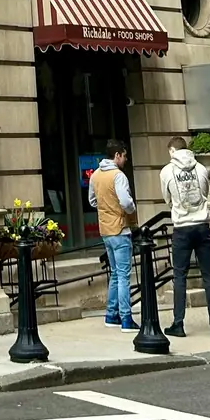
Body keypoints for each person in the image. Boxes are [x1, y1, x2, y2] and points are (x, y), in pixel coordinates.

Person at [160, 134, 210, 338]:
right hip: (202, 225)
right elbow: (204, 193)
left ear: (172, 151)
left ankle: (178, 323)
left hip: (182, 227)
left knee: (179, 277)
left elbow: (167, 198)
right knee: (208, 276)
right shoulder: (201, 168)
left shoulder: (167, 171)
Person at [88, 141, 137, 329]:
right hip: (120, 229)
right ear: (117, 155)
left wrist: (106, 207)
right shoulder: (118, 176)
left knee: (115, 274)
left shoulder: (95, 175)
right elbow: (126, 202)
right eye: (124, 155)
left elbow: (92, 201)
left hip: (105, 230)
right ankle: (126, 319)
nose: (125, 159)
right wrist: (131, 209)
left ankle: (111, 315)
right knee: (124, 276)